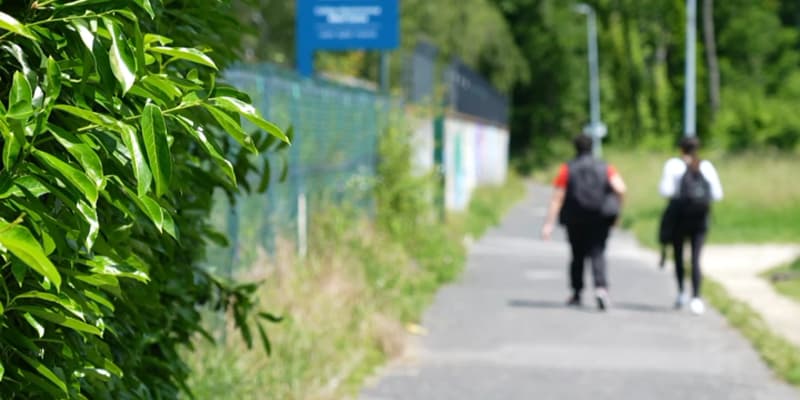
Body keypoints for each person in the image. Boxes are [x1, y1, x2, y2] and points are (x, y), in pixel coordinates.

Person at [541, 135, 626, 311]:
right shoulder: (606, 167)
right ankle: (601, 289)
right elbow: (621, 188)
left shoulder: (567, 168)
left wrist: (548, 224)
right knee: (598, 252)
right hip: (600, 217)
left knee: (577, 255)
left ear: (575, 148)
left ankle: (577, 292)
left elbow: (557, 197)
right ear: (592, 147)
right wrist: (617, 213)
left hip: (575, 218)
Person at [658, 137, 723, 315]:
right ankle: (696, 298)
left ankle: (681, 293)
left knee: (679, 256)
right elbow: (717, 194)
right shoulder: (706, 166)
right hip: (700, 218)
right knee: (696, 258)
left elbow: (665, 190)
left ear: (681, 149)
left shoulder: (673, 165)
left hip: (679, 218)